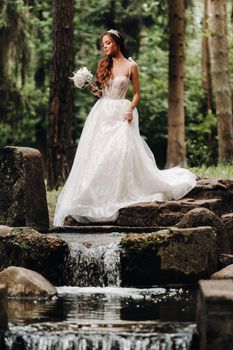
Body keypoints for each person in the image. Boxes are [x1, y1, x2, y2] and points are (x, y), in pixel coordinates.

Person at [53, 29, 196, 226]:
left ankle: (121, 191)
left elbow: (137, 93)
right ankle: (96, 196)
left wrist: (130, 109)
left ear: (117, 43)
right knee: (99, 154)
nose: (104, 46)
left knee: (120, 151)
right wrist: (91, 87)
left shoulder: (131, 66)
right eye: (103, 43)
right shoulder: (103, 65)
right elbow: (102, 92)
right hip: (102, 112)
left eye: (107, 42)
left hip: (121, 112)